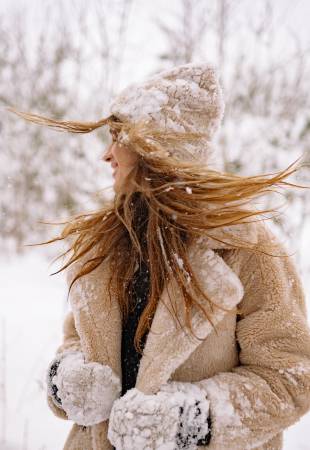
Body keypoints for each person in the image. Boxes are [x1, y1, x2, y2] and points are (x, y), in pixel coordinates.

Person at [9, 62, 310, 450]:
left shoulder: (247, 250)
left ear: (158, 148)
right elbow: (75, 340)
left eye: (119, 137)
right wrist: (67, 378)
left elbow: (291, 376)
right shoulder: (106, 246)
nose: (107, 154)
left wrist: (189, 421)